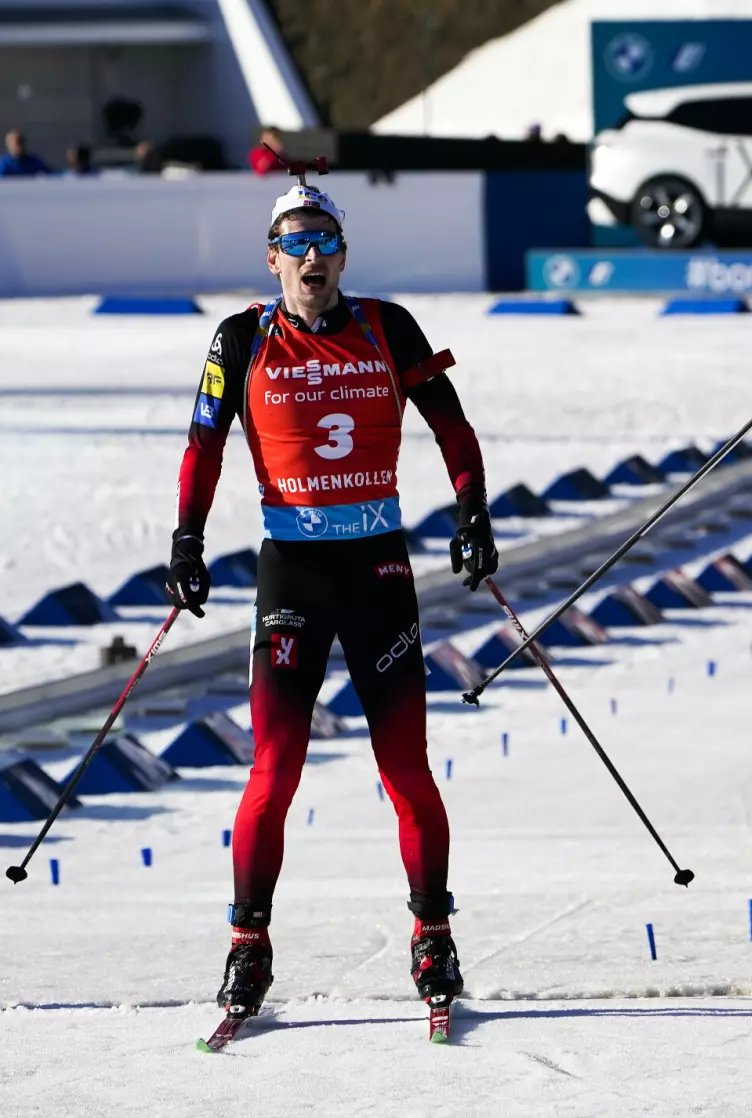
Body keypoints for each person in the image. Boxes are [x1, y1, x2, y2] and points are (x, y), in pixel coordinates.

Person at [165, 178, 498, 1025]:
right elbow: (203, 445)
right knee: (274, 770)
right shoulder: (241, 339)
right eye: (296, 242)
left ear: (343, 254)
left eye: (326, 242)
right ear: (272, 256)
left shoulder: (388, 326)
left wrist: (472, 514)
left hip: (379, 571)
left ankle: (433, 933)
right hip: (294, 575)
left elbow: (452, 429)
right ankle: (249, 945)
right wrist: (187, 540)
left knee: (407, 771)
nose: (312, 258)